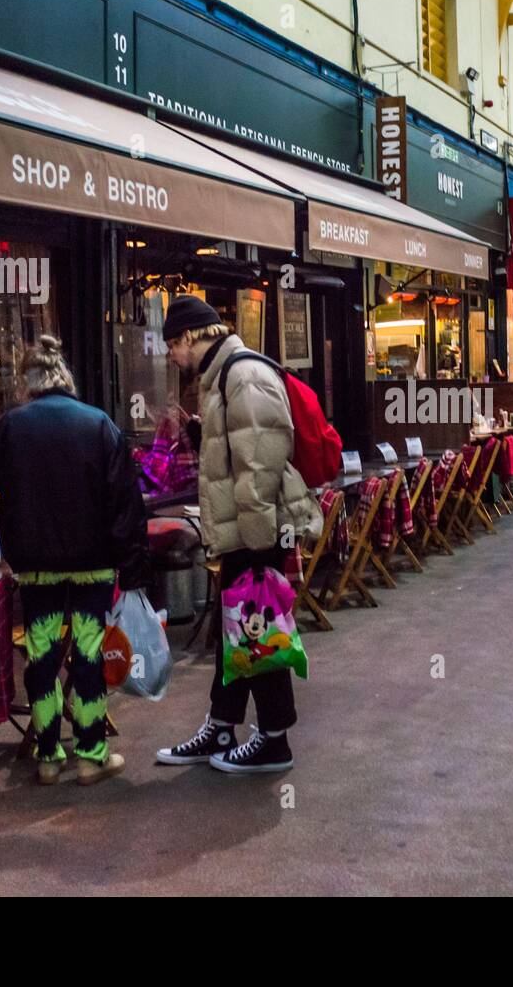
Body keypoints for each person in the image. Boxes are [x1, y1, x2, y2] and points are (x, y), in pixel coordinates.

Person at [155, 297, 322, 774]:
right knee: (238, 632)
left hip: (255, 533)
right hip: (242, 532)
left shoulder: (241, 375)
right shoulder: (224, 377)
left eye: (172, 344)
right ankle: (223, 725)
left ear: (191, 336)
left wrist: (255, 546)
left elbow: (259, 465)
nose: (171, 355)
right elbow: (240, 449)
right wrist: (197, 431)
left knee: (258, 630)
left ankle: (274, 739)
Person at [0, 336, 147, 787]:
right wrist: (130, 562)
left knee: (41, 658)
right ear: (65, 377)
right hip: (93, 561)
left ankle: (48, 756)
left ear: (28, 383)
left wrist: (16, 487)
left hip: (36, 564)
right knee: (89, 657)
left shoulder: (10, 428)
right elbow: (125, 500)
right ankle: (92, 756)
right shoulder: (99, 425)